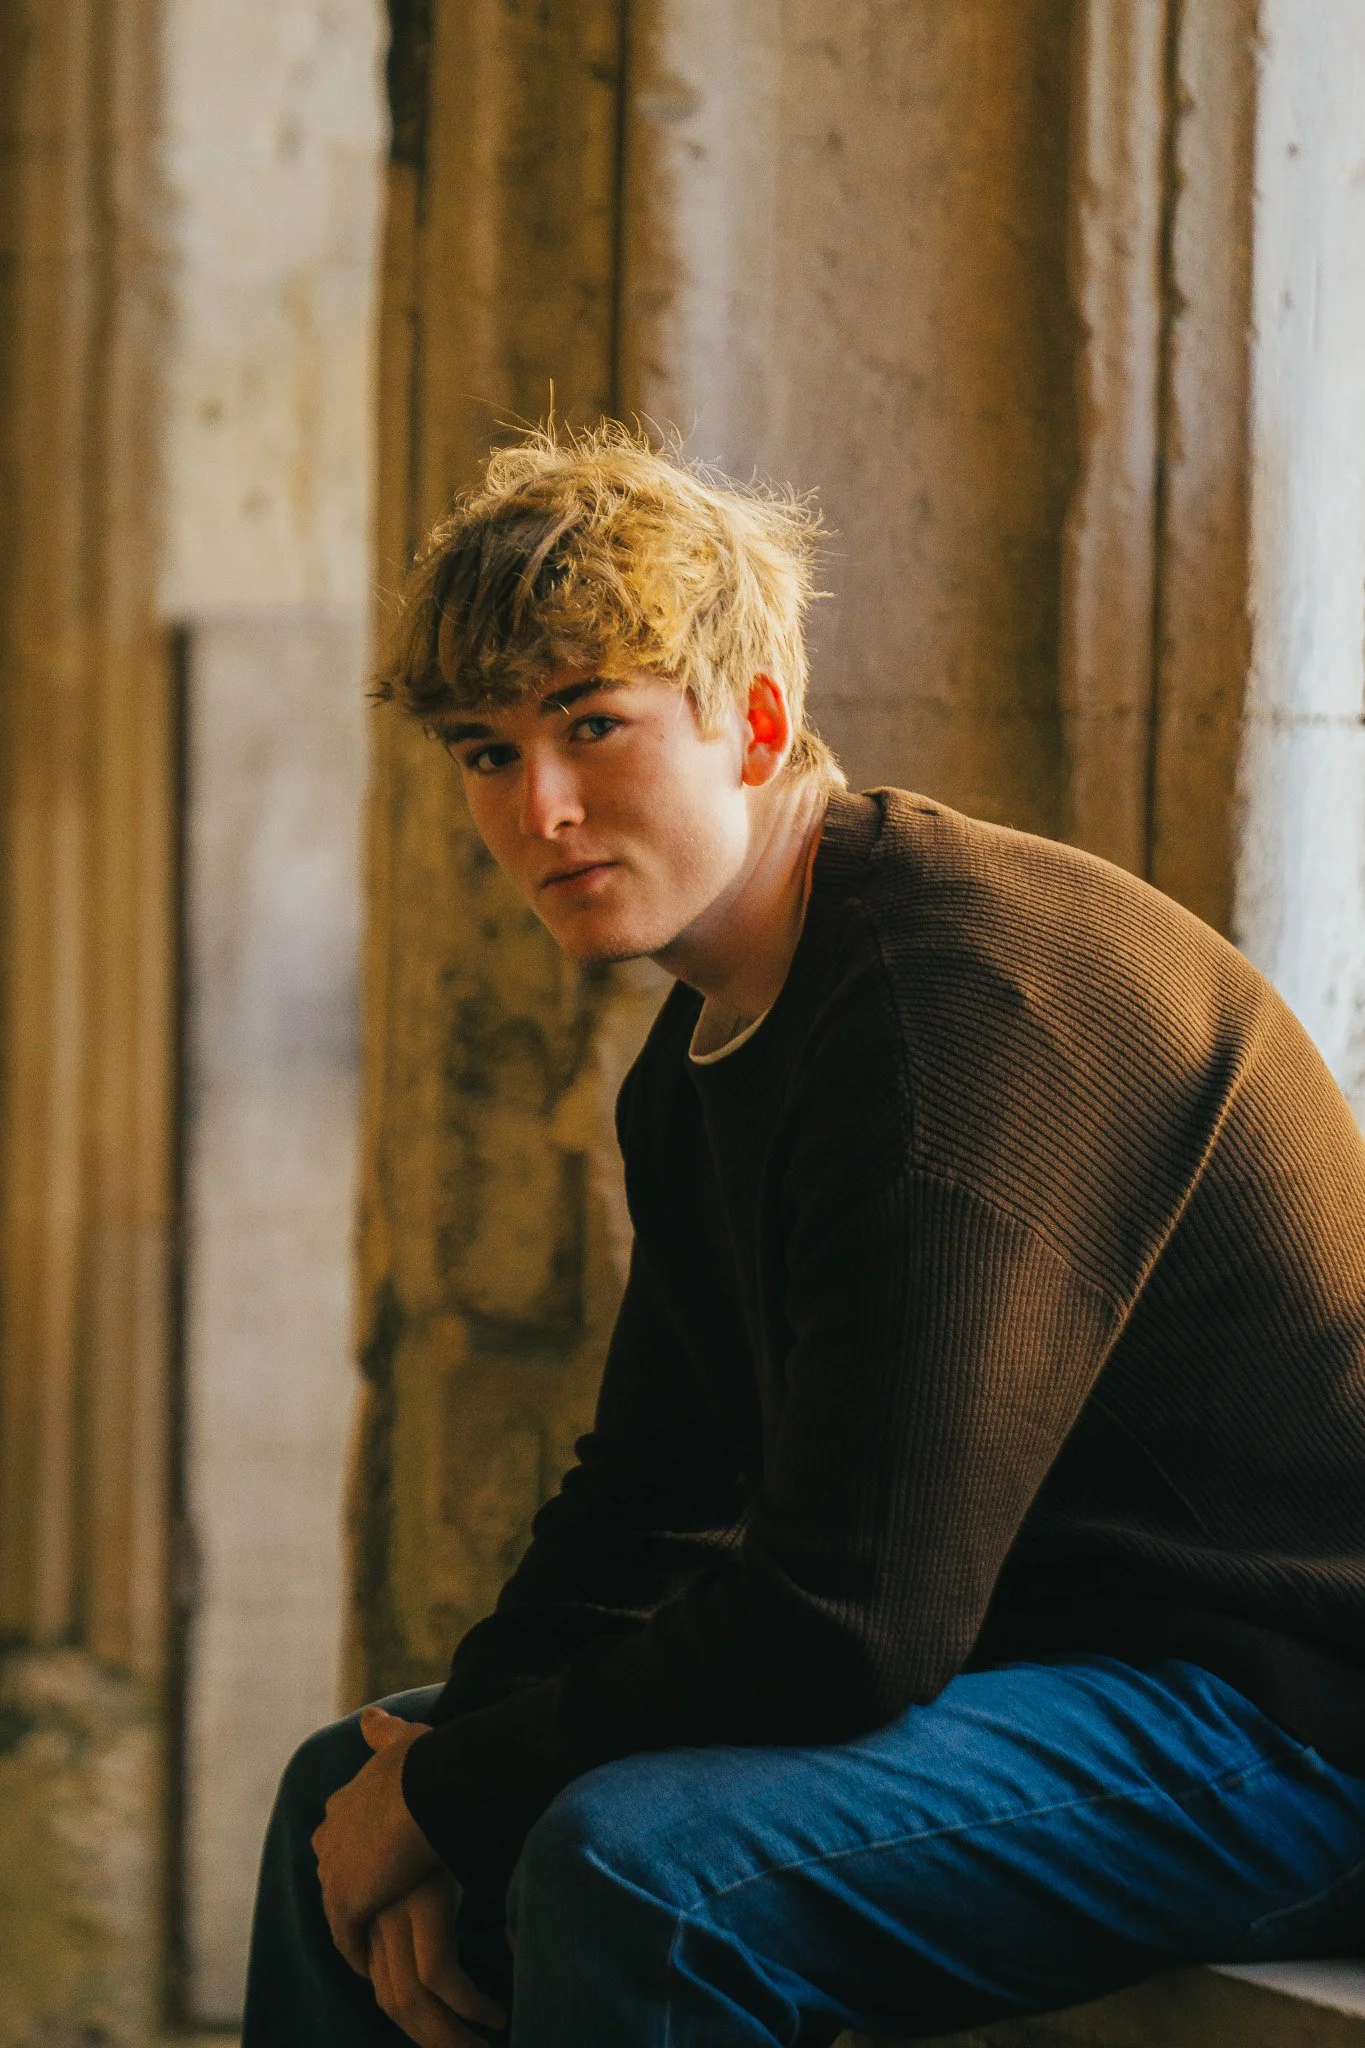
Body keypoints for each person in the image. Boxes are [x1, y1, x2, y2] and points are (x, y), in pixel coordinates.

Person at [242, 425, 1365, 2048]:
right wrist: (430, 1781)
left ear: (756, 721)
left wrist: (467, 1791)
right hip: (1043, 1680)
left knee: (636, 1872)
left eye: (591, 725)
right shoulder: (706, 1055)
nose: (540, 806)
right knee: (332, 1799)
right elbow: (648, 1506)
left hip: (1285, 1722)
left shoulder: (941, 1010)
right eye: (487, 753)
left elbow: (854, 1625)